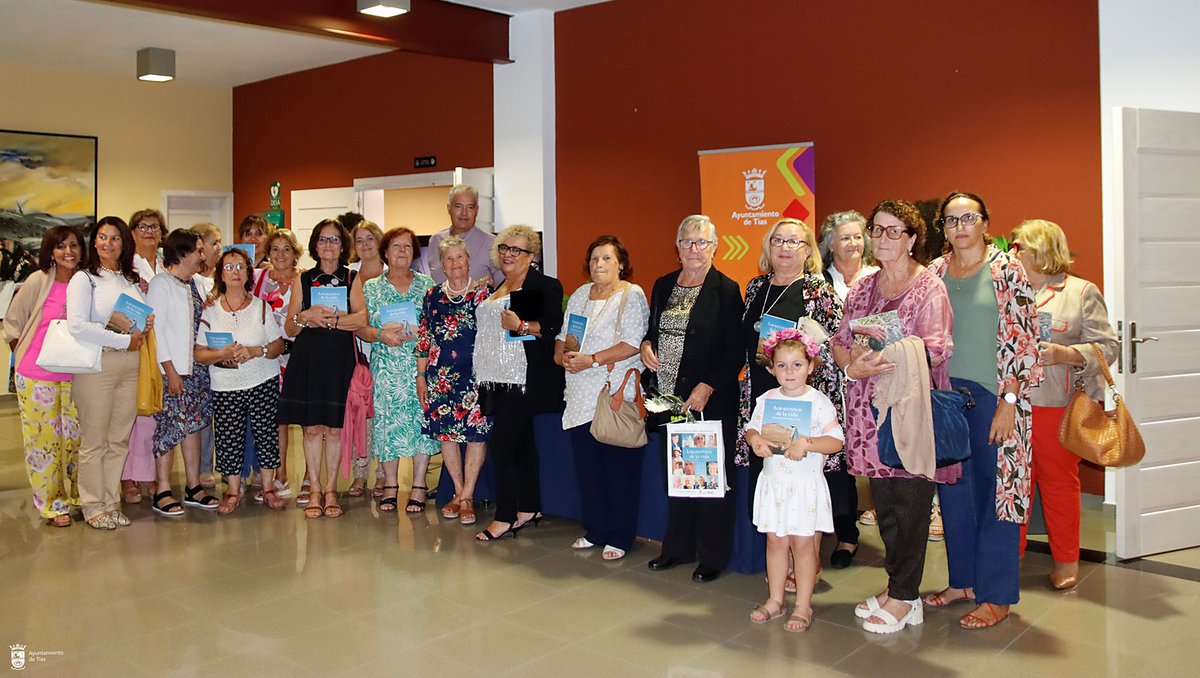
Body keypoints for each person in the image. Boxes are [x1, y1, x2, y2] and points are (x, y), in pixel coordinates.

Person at [831, 199, 956, 633]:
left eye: (893, 231)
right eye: (877, 230)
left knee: (910, 508)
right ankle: (896, 585)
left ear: (913, 239)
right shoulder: (864, 288)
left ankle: (906, 596)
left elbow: (937, 348)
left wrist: (885, 349)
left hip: (907, 412)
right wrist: (851, 365)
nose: (882, 239)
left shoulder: (928, 288)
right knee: (884, 508)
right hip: (868, 410)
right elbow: (839, 339)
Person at [923, 192, 1042, 629]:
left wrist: (1009, 401)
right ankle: (963, 582)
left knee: (999, 496)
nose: (959, 226)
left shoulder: (1007, 270)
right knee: (953, 490)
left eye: (968, 217)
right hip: (948, 398)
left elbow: (1024, 338)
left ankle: (996, 595)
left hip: (997, 399)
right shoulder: (934, 272)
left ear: (985, 223)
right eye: (951, 220)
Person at [737, 217, 850, 575]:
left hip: (804, 400)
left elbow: (838, 344)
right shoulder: (756, 287)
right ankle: (780, 560)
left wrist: (810, 341)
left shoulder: (818, 289)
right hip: (761, 393)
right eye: (778, 241)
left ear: (807, 251)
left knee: (802, 481)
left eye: (794, 242)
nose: (785, 248)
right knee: (773, 474)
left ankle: (806, 563)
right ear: (769, 247)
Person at [1009, 219, 1118, 590]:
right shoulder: (1006, 289)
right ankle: (1011, 555)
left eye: (1019, 245)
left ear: (1041, 249)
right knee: (1013, 486)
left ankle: (1066, 559)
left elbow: (1109, 347)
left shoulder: (1080, 292)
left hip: (1056, 404)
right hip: (1009, 404)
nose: (1013, 252)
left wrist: (1066, 353)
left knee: (1058, 485)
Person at [641, 215, 744, 583]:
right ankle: (678, 548)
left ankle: (712, 555)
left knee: (710, 479)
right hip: (668, 399)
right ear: (677, 247)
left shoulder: (727, 289)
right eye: (687, 241)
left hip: (707, 401)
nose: (694, 249)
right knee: (677, 476)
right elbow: (654, 329)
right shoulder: (664, 284)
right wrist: (646, 345)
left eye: (701, 242)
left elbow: (735, 350)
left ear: (715, 247)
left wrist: (707, 386)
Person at [556, 235, 650, 560]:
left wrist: (591, 360)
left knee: (618, 471)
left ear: (620, 263)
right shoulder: (582, 294)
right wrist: (565, 357)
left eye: (607, 259)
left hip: (612, 393)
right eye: (594, 259)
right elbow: (564, 336)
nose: (599, 265)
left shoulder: (631, 294)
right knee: (589, 469)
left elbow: (633, 343)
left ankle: (620, 537)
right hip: (579, 393)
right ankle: (596, 529)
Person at [745, 330, 845, 632]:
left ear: (810, 366)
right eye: (782, 365)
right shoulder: (767, 399)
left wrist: (808, 443)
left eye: (797, 365)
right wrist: (756, 440)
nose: (790, 372)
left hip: (803, 487)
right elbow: (751, 428)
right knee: (775, 542)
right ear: (771, 368)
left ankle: (803, 606)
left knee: (803, 546)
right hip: (775, 484)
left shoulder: (819, 401)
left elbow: (836, 441)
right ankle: (775, 600)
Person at [472, 225, 563, 540]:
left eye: (517, 250)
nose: (509, 254)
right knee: (522, 445)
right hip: (496, 378)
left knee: (502, 444)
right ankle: (530, 507)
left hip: (523, 377)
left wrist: (522, 323)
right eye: (504, 248)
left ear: (531, 255)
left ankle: (505, 515)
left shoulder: (540, 286)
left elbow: (551, 329)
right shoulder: (498, 285)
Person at [67, 217, 153, 529]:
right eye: (102, 237)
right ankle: (92, 506)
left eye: (114, 238)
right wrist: (123, 339)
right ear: (94, 242)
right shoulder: (84, 279)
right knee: (95, 441)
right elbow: (78, 326)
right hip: (97, 366)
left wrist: (145, 325)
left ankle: (109, 501)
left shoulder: (130, 280)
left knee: (118, 440)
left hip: (131, 364)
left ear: (124, 243)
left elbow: (137, 320)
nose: (108, 243)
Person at [279, 219, 368, 519]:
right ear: (315, 246)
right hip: (308, 361)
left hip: (339, 361)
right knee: (313, 428)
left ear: (343, 246)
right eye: (323, 240)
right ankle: (314, 489)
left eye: (334, 240)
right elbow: (290, 327)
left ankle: (331, 489)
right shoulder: (302, 279)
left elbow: (361, 320)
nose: (328, 245)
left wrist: (330, 321)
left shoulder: (351, 277)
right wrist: (306, 316)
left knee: (335, 427)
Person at [195, 248, 287, 513]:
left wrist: (256, 351)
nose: (235, 272)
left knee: (266, 435)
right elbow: (199, 352)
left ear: (248, 273)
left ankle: (268, 488)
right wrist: (221, 353)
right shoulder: (211, 310)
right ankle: (233, 491)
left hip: (262, 380)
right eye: (229, 267)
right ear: (220, 274)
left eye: (240, 267)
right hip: (225, 385)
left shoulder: (260, 307)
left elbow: (278, 345)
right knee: (228, 437)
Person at [4, 226, 85, 527]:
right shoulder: (38, 281)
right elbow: (13, 324)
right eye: (61, 246)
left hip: (77, 376)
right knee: (43, 443)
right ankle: (52, 504)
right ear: (50, 251)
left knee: (76, 440)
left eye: (74, 245)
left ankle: (78, 496)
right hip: (36, 377)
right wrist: (24, 355)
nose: (69, 252)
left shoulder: (85, 282)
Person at [356, 228, 438, 512]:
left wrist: (422, 332)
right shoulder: (371, 287)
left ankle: (418, 484)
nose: (402, 251)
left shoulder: (427, 285)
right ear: (385, 252)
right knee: (388, 425)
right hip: (387, 366)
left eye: (407, 246)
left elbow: (435, 327)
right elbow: (362, 329)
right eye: (395, 246)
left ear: (414, 252)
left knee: (420, 424)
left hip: (419, 365)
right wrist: (381, 335)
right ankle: (390, 483)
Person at [416, 236, 491, 525]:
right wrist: (421, 376)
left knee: (475, 435)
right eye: (449, 258)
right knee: (446, 436)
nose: (455, 263)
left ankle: (469, 495)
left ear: (469, 261)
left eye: (460, 257)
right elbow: (424, 337)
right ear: (441, 265)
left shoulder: (484, 294)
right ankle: (458, 493)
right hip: (440, 378)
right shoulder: (432, 296)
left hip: (476, 377)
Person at [146, 230, 217, 515]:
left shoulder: (194, 284)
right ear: (182, 254)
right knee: (169, 428)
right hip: (172, 371)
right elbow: (157, 331)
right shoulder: (161, 285)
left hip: (197, 370)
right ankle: (162, 487)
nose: (202, 256)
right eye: (198, 251)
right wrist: (170, 370)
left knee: (194, 427)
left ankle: (193, 485)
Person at [254, 229, 305, 499]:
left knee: (307, 420)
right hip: (269, 355)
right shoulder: (258, 277)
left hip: (299, 354)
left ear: (295, 252)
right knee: (277, 419)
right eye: (275, 249)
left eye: (286, 249)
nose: (280, 254)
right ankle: (280, 474)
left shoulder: (305, 279)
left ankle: (310, 479)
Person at [120, 208, 167, 504]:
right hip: (136, 346)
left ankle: (148, 473)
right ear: (132, 233)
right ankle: (127, 478)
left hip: (165, 348)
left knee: (154, 416)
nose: (149, 231)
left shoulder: (166, 266)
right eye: (142, 226)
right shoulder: (126, 268)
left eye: (155, 227)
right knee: (133, 415)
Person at [346, 218, 386, 498]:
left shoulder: (393, 272)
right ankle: (359, 474)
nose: (365, 245)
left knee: (382, 414)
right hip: (354, 354)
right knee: (359, 415)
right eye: (359, 240)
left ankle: (384, 475)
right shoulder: (348, 275)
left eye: (370, 238)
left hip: (386, 354)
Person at [189, 222, 222, 490]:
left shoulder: (223, 276)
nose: (219, 248)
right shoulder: (192, 280)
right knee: (200, 416)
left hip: (223, 355)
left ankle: (218, 465)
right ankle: (201, 468)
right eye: (214, 243)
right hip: (198, 356)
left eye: (220, 242)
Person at [414, 184, 503, 285]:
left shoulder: (492, 243)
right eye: (458, 206)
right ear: (448, 208)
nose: (464, 213)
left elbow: (504, 287)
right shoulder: (436, 240)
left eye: (470, 207)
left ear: (477, 210)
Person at [819, 210, 878, 300]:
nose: (853, 243)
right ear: (830, 245)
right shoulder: (819, 280)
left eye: (857, 237)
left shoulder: (878, 277)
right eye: (845, 238)